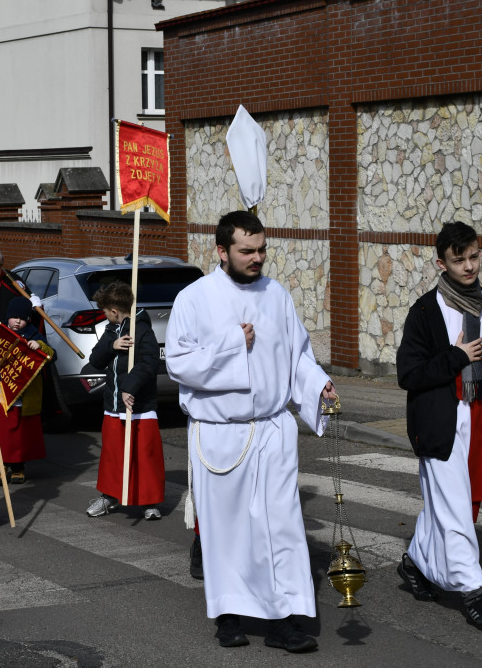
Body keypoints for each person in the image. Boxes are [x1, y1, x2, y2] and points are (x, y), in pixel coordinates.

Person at [165, 211, 336, 653]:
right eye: (247, 251)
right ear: (221, 251)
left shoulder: (276, 295)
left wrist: (317, 384)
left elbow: (297, 354)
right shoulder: (194, 298)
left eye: (261, 250)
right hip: (221, 432)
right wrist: (231, 346)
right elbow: (178, 363)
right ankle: (228, 616)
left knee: (281, 527)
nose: (257, 258)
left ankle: (282, 620)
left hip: (273, 430)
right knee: (228, 532)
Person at [395, 220, 482, 632]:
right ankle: (474, 592)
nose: (469, 266)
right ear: (441, 264)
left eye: (474, 257)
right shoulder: (425, 311)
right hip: (440, 420)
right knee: (455, 508)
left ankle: (415, 563)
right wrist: (456, 356)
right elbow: (409, 374)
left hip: (479, 415)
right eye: (459, 259)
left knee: (451, 504)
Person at [86, 281, 164, 520]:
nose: (105, 316)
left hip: (140, 406)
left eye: (105, 312)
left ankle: (149, 501)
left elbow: (149, 363)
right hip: (113, 406)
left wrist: (130, 387)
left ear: (114, 310)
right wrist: (112, 346)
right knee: (113, 455)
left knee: (144, 456)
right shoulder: (111, 330)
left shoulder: (143, 330)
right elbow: (95, 360)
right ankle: (110, 496)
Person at [0, 296, 52, 484]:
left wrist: (40, 346)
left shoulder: (33, 334)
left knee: (20, 435)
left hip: (23, 392)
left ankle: (18, 466)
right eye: (14, 317)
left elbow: (51, 355)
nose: (17, 321)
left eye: (22, 318)